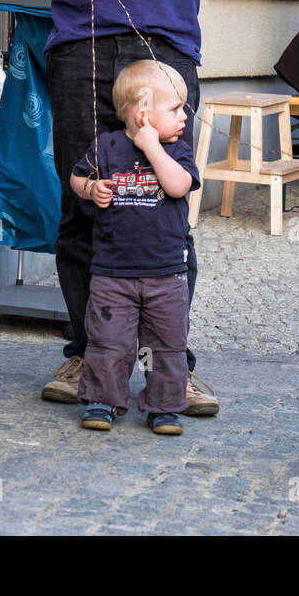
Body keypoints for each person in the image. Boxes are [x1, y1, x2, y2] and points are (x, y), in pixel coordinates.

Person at [12, 0, 232, 417]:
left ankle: (173, 365)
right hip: (81, 42)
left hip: (163, 47)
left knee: (165, 201)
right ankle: (87, 353)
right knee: (84, 199)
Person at [71, 60, 200, 435]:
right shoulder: (107, 146)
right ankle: (103, 399)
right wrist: (90, 189)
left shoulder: (176, 151)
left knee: (166, 345)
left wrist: (152, 148)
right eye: (175, 108)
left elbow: (178, 186)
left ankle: (164, 406)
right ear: (142, 116)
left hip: (166, 274)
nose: (184, 116)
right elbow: (77, 177)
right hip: (112, 273)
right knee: (109, 342)